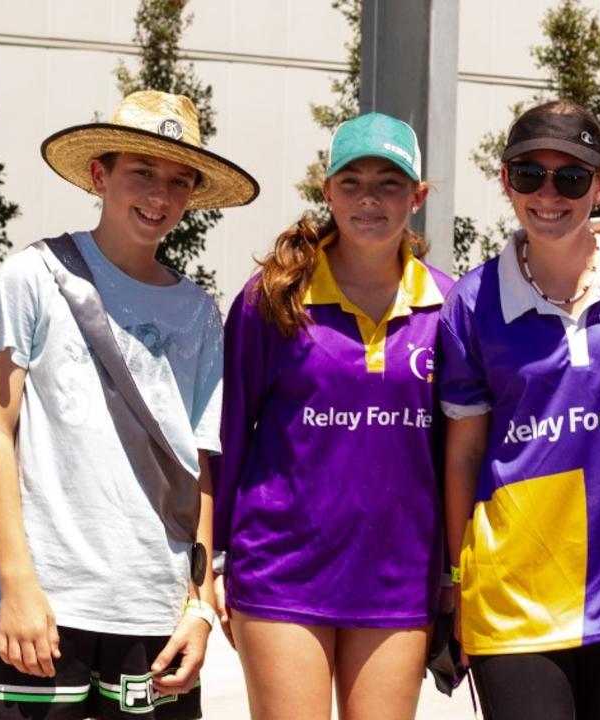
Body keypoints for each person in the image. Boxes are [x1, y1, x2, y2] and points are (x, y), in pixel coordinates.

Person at [0, 89, 259, 720]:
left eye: (179, 180)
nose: (159, 195)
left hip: (153, 606)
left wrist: (199, 607)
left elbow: (198, 465)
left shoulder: (199, 313)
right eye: (142, 172)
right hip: (47, 599)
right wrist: (17, 582)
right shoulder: (34, 276)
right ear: (100, 175)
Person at [437, 100, 600, 720]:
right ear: (506, 181)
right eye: (530, 174)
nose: (548, 194)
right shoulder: (472, 302)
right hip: (514, 595)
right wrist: (457, 579)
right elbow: (466, 453)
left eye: (572, 177)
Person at [212, 112, 452, 720]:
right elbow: (228, 434)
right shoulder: (271, 298)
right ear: (326, 191)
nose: (369, 198)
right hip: (281, 570)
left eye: (390, 182)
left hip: (400, 575)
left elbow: (460, 452)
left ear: (418, 196)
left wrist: (456, 570)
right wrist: (214, 559)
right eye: (351, 181)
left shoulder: (451, 306)